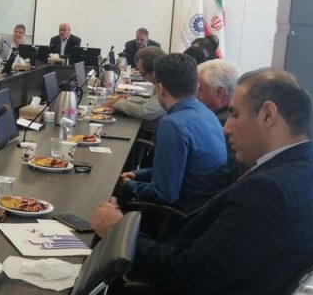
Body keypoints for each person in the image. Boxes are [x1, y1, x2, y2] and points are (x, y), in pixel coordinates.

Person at [90, 69, 313, 295]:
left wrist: (119, 233)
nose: (226, 128)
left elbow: (188, 275)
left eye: (234, 114)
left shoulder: (271, 192)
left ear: (268, 114)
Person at [116, 53, 229, 212]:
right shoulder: (207, 113)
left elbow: (164, 194)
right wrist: (138, 175)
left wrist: (128, 185)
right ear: (196, 87)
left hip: (179, 216)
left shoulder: (172, 125)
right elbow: (179, 169)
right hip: (203, 209)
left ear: (161, 89)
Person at [197, 59, 245, 179]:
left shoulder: (219, 125)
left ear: (219, 92)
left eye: (200, 90)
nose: (195, 95)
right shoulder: (241, 117)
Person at [102, 47, 167, 121]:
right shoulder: (161, 80)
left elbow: (144, 111)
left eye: (142, 74)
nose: (143, 78)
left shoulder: (166, 85)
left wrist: (118, 104)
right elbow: (150, 103)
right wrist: (119, 101)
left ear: (153, 72)